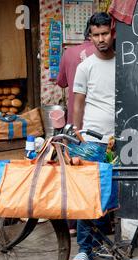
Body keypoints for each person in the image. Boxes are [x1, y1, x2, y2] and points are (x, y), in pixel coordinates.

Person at [70, 12, 115, 260]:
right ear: (90, 36)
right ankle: (85, 248)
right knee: (86, 197)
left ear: (113, 33)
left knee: (112, 197)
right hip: (91, 140)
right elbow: (78, 103)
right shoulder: (85, 67)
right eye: (96, 35)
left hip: (119, 142)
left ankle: (108, 245)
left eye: (105, 33)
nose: (101, 39)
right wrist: (77, 132)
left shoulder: (124, 62)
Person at [56, 17, 96, 237]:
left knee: (75, 172)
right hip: (100, 124)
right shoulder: (109, 55)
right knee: (100, 172)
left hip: (75, 123)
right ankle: (102, 224)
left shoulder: (69, 53)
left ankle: (72, 225)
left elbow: (62, 83)